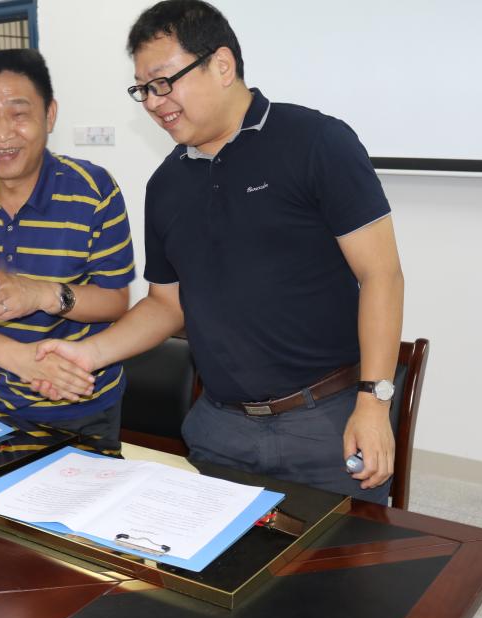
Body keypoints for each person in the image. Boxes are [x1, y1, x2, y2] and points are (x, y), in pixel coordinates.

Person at [35, 0, 405, 503]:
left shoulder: (317, 142)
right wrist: (87, 354)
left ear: (222, 65)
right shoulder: (166, 185)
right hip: (220, 427)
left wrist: (374, 403)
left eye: (164, 81)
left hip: (327, 420)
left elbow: (382, 275)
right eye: (143, 89)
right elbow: (166, 304)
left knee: (344, 555)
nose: (153, 102)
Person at [0, 49, 134, 453]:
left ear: (49, 115)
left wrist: (40, 294)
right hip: (2, 398)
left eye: (19, 114)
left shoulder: (94, 191)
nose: (1, 133)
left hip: (85, 398)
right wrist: (18, 359)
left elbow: (116, 301)